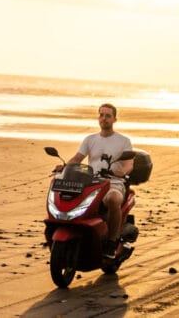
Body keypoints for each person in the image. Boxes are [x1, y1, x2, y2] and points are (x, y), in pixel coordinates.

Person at [67, 103, 134, 258]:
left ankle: (111, 242)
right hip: (91, 182)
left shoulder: (123, 141)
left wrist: (121, 172)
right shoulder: (90, 139)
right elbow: (77, 158)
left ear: (114, 119)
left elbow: (129, 164)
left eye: (108, 116)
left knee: (113, 199)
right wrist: (65, 167)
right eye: (101, 115)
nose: (104, 118)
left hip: (113, 183)